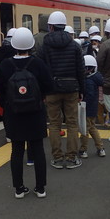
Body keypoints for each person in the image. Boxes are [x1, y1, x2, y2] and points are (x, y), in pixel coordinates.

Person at [0, 28, 53, 199]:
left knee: (17, 151)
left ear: (14, 45)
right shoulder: (38, 63)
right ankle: (40, 188)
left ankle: (19, 189)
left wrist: (8, 94)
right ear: (31, 45)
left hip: (14, 112)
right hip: (35, 112)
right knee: (38, 149)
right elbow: (49, 85)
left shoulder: (6, 64)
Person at [40, 11, 86, 169]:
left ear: (51, 27)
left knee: (54, 124)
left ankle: (57, 158)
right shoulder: (74, 45)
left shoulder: (45, 45)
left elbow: (42, 69)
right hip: (72, 88)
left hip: (51, 89)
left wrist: (43, 92)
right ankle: (72, 158)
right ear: (64, 26)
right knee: (72, 124)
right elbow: (81, 70)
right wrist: (82, 90)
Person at [79, 55, 106, 158]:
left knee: (84, 129)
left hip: (85, 108)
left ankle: (83, 149)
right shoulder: (97, 77)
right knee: (92, 127)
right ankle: (100, 148)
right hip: (93, 107)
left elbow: (88, 95)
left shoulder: (88, 80)